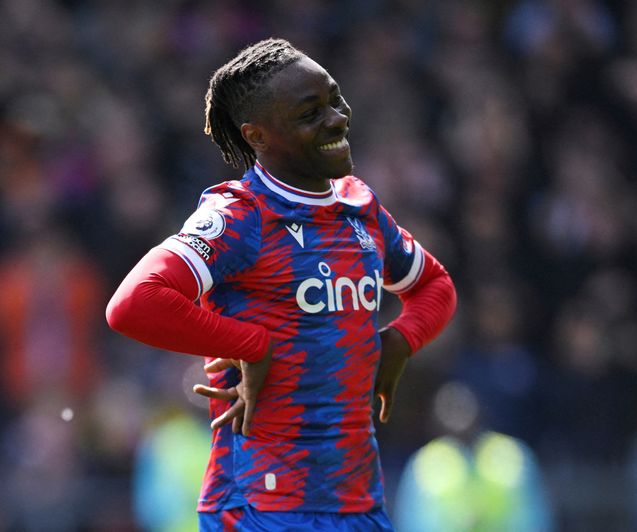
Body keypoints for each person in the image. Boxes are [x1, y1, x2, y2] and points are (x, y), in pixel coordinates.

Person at [106, 37, 457, 531]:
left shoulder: (361, 208)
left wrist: (398, 341)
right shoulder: (240, 215)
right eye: (309, 113)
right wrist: (249, 344)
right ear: (257, 135)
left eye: (334, 98)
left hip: (358, 504)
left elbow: (436, 286)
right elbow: (134, 303)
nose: (337, 118)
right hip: (259, 507)